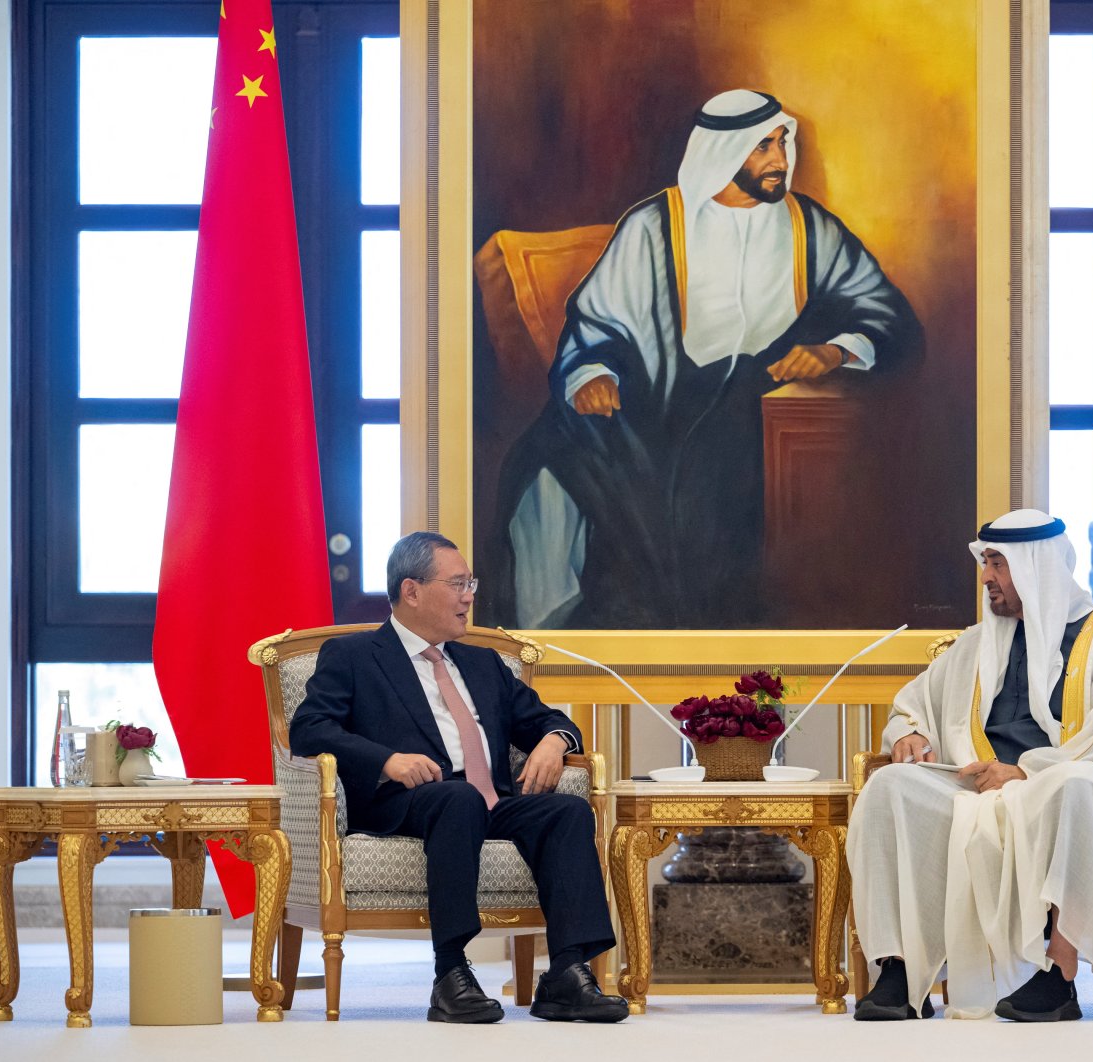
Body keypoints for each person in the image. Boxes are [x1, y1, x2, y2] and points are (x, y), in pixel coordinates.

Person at [489, 88, 923, 630]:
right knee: (549, 454)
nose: (779, 161)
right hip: (649, 393)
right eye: (763, 148)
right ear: (723, 151)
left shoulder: (808, 227)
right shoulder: (654, 225)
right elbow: (597, 321)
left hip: (745, 397)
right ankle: (566, 634)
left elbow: (882, 308)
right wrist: (592, 372)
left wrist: (835, 350)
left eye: (782, 143)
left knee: (709, 482)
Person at [290, 531, 627, 1024]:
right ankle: (451, 974)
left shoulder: (482, 662)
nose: (470, 595)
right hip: (405, 803)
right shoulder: (355, 657)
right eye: (458, 583)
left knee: (566, 810)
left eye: (471, 582)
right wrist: (387, 760)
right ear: (412, 591)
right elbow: (308, 729)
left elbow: (550, 720)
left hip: (487, 803)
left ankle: (566, 976)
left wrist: (556, 741)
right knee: (456, 798)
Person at [847, 509, 1093, 1022]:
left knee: (1078, 786)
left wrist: (1028, 772)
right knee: (890, 787)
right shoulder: (975, 642)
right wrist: (910, 732)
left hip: (1050, 785)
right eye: (985, 562)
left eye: (997, 564)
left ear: (1038, 567)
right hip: (972, 786)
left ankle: (1060, 974)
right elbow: (911, 704)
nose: (986, 576)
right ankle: (899, 970)